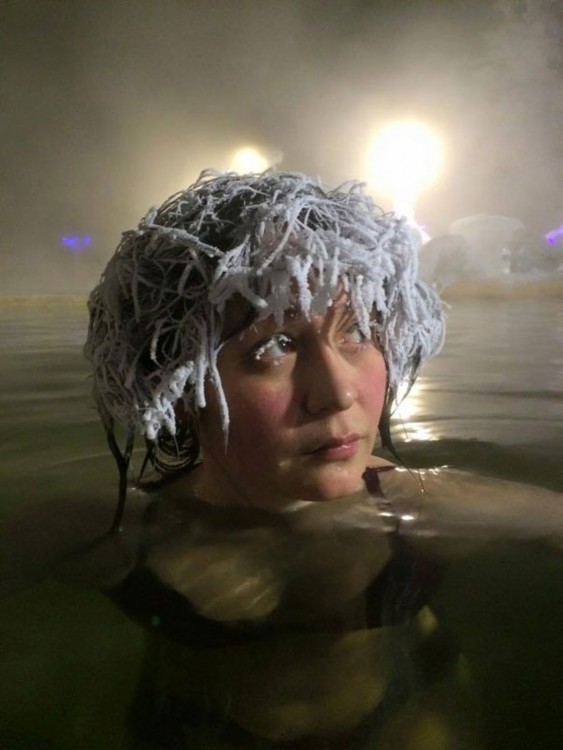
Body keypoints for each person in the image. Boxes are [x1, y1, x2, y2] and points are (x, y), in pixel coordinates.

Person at [82, 170, 482, 748]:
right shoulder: (126, 534)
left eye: (360, 330)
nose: (339, 392)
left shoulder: (422, 505)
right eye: (274, 345)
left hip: (395, 718)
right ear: (174, 383)